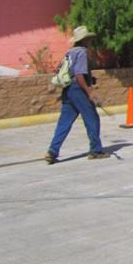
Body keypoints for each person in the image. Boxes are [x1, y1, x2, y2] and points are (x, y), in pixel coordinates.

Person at [44, 26, 108, 163]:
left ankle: (52, 151)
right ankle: (95, 150)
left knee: (64, 122)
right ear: (84, 40)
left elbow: (61, 70)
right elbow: (79, 74)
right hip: (78, 89)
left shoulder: (69, 52)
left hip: (68, 90)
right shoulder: (82, 52)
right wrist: (89, 91)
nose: (90, 41)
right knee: (92, 118)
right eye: (89, 39)